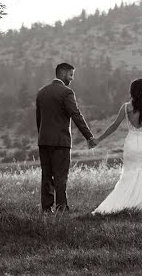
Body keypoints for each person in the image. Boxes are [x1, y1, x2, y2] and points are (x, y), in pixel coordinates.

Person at [91, 78, 142, 215]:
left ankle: (120, 204)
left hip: (131, 145)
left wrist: (98, 139)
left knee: (128, 176)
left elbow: (114, 126)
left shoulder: (127, 107)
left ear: (133, 91)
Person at [36, 62, 97, 212]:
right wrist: (88, 136)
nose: (72, 79)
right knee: (60, 177)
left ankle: (46, 209)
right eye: (71, 75)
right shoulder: (66, 92)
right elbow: (75, 115)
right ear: (63, 73)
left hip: (44, 141)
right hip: (61, 142)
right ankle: (62, 208)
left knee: (46, 176)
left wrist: (42, 136)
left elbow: (39, 119)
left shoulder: (41, 92)